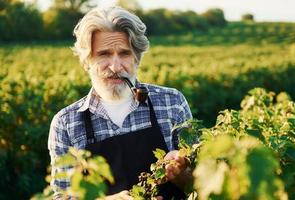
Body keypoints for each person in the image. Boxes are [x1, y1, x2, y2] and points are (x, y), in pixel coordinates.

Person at [48, 6, 193, 199]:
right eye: (104, 54)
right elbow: (62, 196)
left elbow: (202, 184)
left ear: (137, 59)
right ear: (87, 61)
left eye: (124, 53)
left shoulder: (171, 102)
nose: (116, 67)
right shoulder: (66, 123)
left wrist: (180, 173)